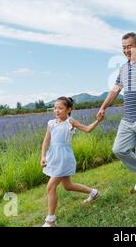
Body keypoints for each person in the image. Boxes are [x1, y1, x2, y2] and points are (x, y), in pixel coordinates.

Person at [97, 32, 136, 208]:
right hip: (128, 118)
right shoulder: (123, 68)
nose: (126, 50)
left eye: (129, 46)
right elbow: (115, 89)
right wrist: (103, 107)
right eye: (123, 47)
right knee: (119, 149)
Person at [41, 97, 102, 227]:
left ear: (68, 109)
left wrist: (98, 120)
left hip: (64, 158)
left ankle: (50, 220)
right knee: (68, 186)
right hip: (53, 157)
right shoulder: (51, 123)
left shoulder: (70, 121)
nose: (57, 110)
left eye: (60, 108)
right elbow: (46, 141)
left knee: (51, 187)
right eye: (55, 108)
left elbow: (87, 129)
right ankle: (94, 193)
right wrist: (43, 156)